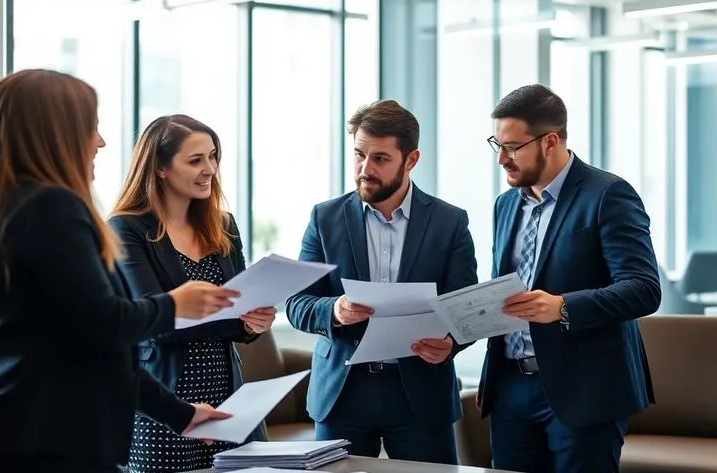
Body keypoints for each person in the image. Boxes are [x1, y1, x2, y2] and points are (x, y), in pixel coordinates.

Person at [0, 69, 238, 473]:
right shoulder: (50, 206)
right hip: (37, 440)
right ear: (54, 134)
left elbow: (91, 345)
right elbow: (104, 323)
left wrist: (180, 415)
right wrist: (174, 305)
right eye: (90, 127)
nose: (100, 141)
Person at [477, 84, 661, 473]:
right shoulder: (505, 204)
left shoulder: (608, 194)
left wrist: (562, 307)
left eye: (512, 147)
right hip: (510, 386)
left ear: (550, 141)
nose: (502, 160)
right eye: (498, 145)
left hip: (584, 390)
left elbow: (644, 289)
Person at [286, 100, 477, 464]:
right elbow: (298, 304)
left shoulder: (450, 222)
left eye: (380, 159)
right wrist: (335, 310)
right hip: (342, 394)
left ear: (411, 160)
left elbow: (465, 308)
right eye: (359, 154)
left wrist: (450, 344)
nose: (365, 169)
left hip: (422, 394)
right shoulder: (325, 218)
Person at [110, 114, 277, 472]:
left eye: (213, 157)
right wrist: (233, 319)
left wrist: (252, 324)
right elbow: (155, 323)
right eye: (196, 160)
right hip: (164, 402)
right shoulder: (127, 229)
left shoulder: (224, 225)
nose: (210, 169)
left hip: (228, 396)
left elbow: (240, 306)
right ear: (160, 168)